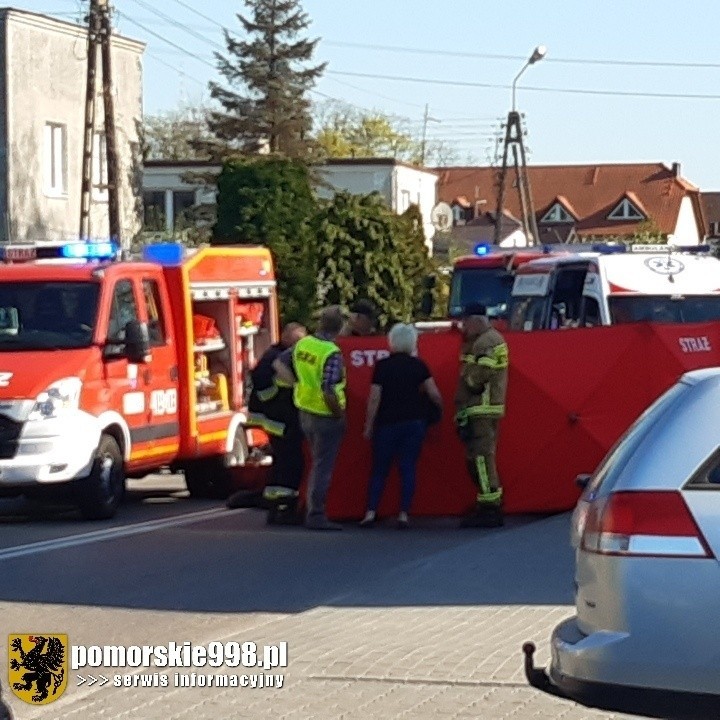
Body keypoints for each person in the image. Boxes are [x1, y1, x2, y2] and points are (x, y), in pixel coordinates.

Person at [360, 323, 443, 529]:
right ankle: (404, 514)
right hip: (414, 423)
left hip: (387, 423)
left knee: (379, 469)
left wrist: (369, 426)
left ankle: (371, 512)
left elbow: (374, 399)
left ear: (392, 342)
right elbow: (434, 394)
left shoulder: (383, 366)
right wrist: (438, 412)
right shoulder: (419, 366)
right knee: (407, 468)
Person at [274, 306, 347, 531]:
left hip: (304, 411)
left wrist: (296, 383)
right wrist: (339, 414)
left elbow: (278, 364)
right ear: (340, 327)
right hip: (325, 415)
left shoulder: (304, 344)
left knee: (316, 464)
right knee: (322, 467)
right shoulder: (330, 352)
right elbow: (328, 389)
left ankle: (311, 510)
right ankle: (316, 514)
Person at [244, 322, 307, 524]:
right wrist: (272, 397)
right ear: (287, 338)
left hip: (276, 421)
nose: (300, 345)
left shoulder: (276, 354)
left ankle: (274, 505)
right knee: (290, 464)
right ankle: (283, 507)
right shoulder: (274, 357)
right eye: (298, 341)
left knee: (281, 464)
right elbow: (262, 382)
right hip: (278, 421)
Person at [454, 303, 509, 528]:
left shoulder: (487, 342)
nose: (463, 327)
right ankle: (486, 502)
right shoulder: (482, 340)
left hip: (482, 407)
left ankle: (490, 508)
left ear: (475, 320)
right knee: (477, 459)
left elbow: (477, 378)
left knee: (482, 459)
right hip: (478, 408)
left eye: (465, 322)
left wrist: (468, 380)